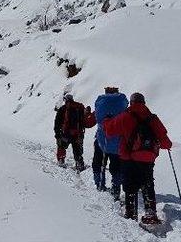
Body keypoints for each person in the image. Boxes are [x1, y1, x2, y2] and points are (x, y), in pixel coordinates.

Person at [105, 92, 172, 224]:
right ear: (144, 102)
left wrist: (107, 120)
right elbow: (165, 141)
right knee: (147, 184)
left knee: (130, 185)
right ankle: (150, 214)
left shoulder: (125, 116)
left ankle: (131, 213)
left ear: (131, 102)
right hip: (147, 159)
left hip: (128, 158)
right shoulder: (152, 118)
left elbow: (109, 131)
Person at [91, 87, 128, 201]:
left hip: (102, 140)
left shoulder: (101, 102)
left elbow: (96, 118)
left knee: (99, 162)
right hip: (118, 142)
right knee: (116, 166)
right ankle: (116, 188)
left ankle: (99, 185)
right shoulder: (122, 102)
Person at [54, 94, 93, 170]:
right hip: (78, 134)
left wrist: (57, 133)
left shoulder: (63, 109)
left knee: (61, 146)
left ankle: (61, 160)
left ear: (65, 100)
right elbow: (84, 120)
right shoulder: (79, 107)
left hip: (66, 134)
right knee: (77, 149)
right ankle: (79, 163)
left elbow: (57, 122)